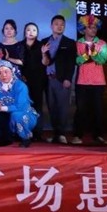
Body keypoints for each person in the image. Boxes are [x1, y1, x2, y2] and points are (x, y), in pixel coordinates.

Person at [72, 14, 107, 145]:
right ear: (83, 29)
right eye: (90, 27)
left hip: (98, 82)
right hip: (82, 81)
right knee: (81, 110)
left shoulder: (102, 43)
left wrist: (92, 56)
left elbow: (102, 59)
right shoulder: (78, 43)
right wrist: (87, 56)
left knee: (98, 110)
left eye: (95, 27)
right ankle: (77, 135)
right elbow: (77, 60)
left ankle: (98, 136)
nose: (93, 30)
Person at [40, 14, 76, 144]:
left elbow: (71, 63)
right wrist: (43, 52)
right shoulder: (44, 41)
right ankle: (56, 133)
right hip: (48, 79)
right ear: (51, 26)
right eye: (56, 24)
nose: (59, 26)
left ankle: (62, 134)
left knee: (63, 107)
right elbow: (43, 62)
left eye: (62, 25)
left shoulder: (69, 42)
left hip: (62, 79)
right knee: (51, 107)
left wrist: (68, 78)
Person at [0, 60, 39, 148]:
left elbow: (20, 106)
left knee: (16, 115)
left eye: (6, 72)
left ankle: (25, 138)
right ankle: (2, 138)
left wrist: (1, 108)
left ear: (12, 72)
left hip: (24, 113)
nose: (3, 75)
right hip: (5, 113)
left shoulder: (20, 86)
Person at [20, 22, 47, 141]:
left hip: (38, 80)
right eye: (28, 30)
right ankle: (24, 131)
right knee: (24, 105)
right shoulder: (20, 45)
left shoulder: (42, 45)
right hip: (23, 80)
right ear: (24, 32)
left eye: (34, 30)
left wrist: (43, 53)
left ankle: (37, 133)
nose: (31, 32)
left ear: (37, 33)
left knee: (37, 106)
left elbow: (45, 63)